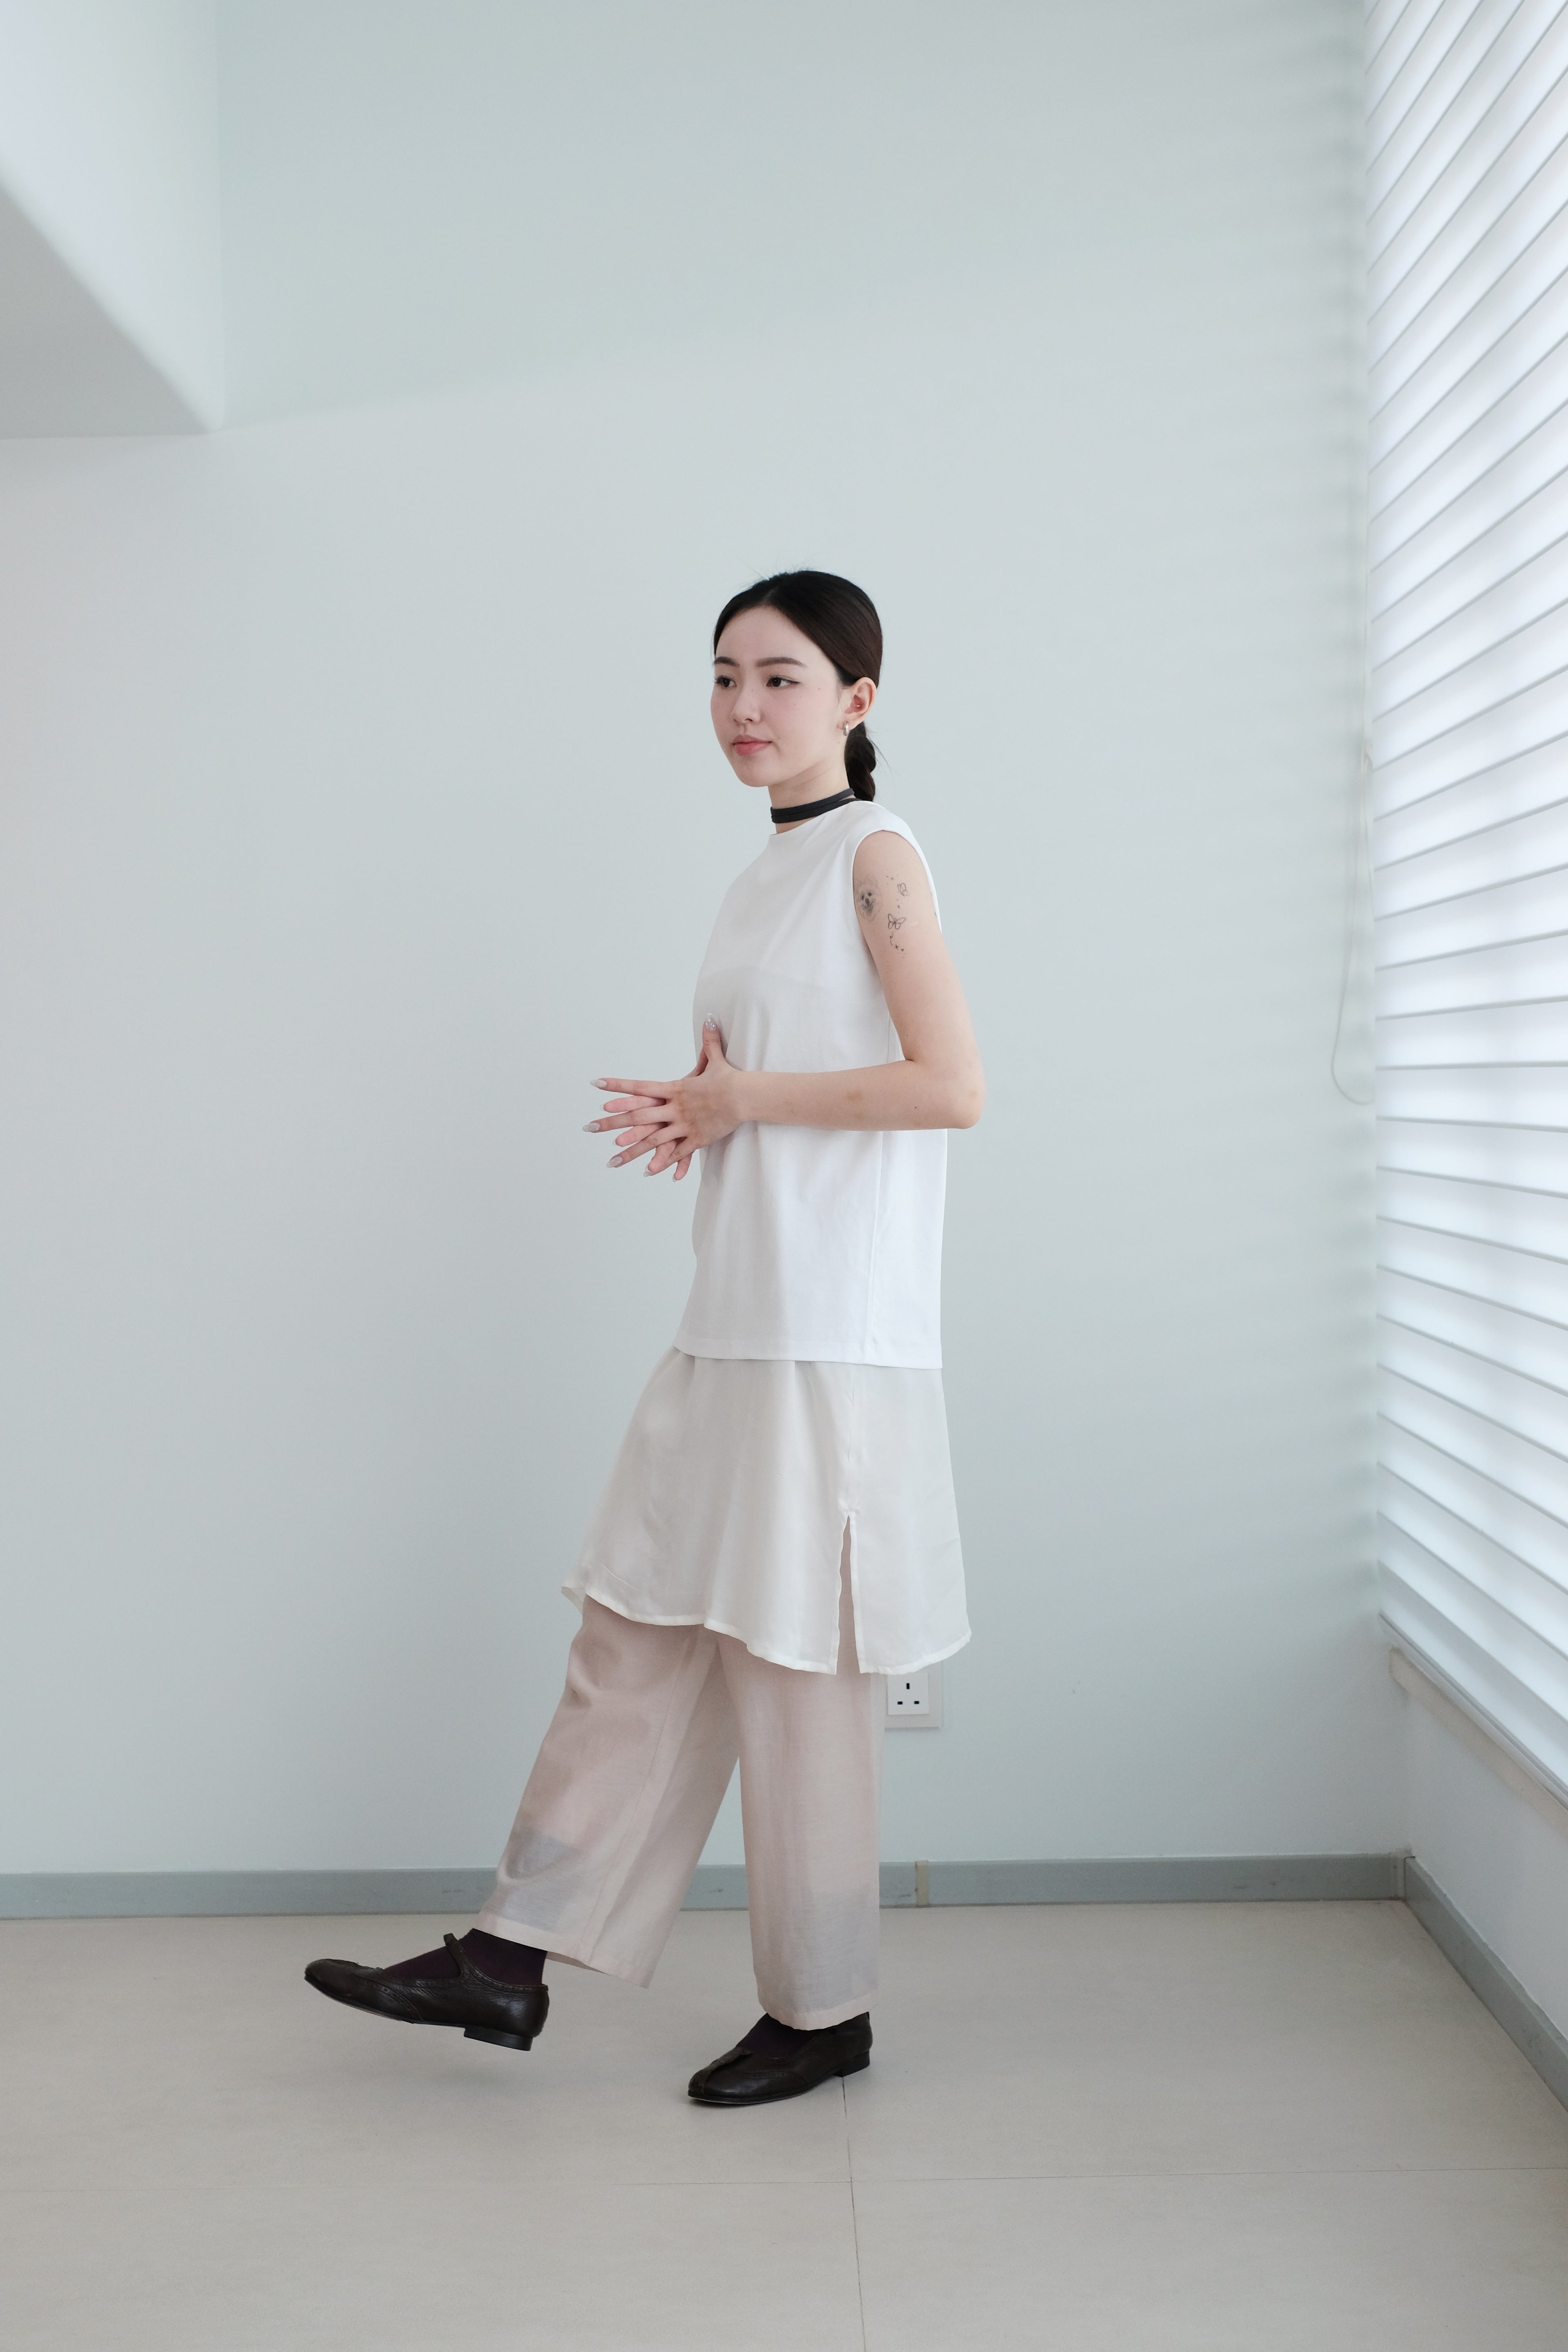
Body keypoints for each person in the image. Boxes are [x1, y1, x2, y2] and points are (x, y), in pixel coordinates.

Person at [305, 570, 983, 2105]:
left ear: (857, 699)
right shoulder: (760, 873)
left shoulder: (876, 856)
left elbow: (952, 1086)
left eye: (782, 678)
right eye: (726, 675)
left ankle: (825, 2011)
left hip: (832, 1333)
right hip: (734, 1308)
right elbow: (782, 1081)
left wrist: (746, 1100)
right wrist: (705, 1113)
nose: (745, 706)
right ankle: (508, 1956)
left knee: (798, 1679)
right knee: (635, 1631)